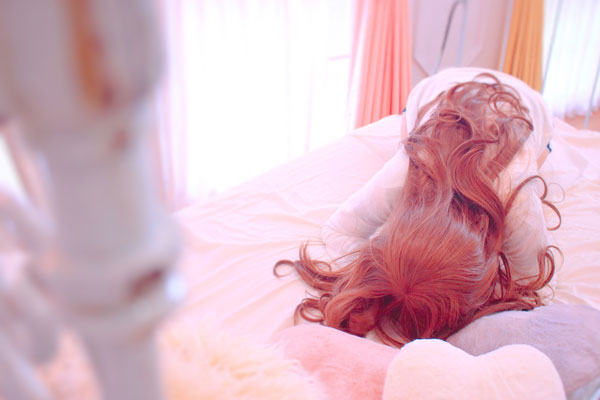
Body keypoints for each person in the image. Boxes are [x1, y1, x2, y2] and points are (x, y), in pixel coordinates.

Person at [275, 67, 561, 347]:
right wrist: (377, 276)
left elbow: (538, 284)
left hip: (527, 105)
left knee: (537, 159)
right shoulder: (412, 165)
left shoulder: (516, 200)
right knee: (409, 134)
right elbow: (338, 230)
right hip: (441, 88)